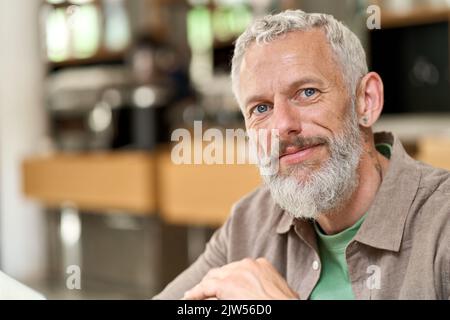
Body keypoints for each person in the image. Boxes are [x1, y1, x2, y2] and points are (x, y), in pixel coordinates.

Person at [154, 9, 450, 300]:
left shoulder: (441, 226)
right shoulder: (250, 222)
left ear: (366, 100)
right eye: (261, 108)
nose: (283, 126)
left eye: (307, 92)